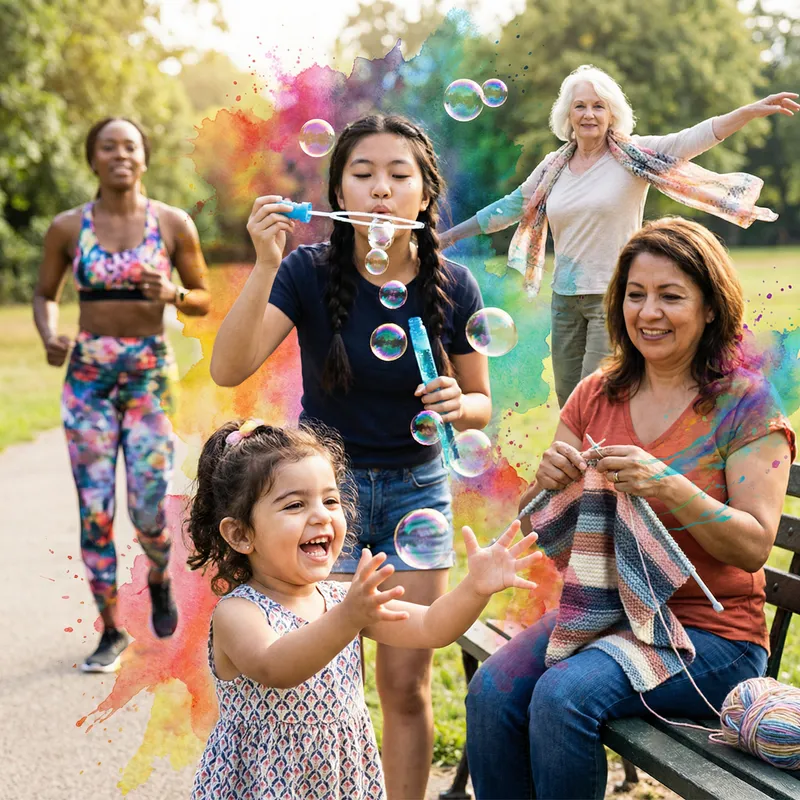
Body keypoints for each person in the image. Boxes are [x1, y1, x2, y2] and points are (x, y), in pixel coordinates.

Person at [464, 217, 796, 799]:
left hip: (710, 638)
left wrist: (668, 485)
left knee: (563, 696)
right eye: (635, 295)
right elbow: (536, 522)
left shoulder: (745, 405)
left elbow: (753, 546)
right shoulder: (598, 392)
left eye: (671, 296)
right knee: (492, 690)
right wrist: (545, 486)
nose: (648, 312)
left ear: (711, 307)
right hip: (607, 616)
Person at [210, 115, 490, 798]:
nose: (381, 190)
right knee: (323, 675)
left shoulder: (453, 284)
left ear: (425, 194)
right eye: (363, 174)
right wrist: (266, 263)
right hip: (322, 499)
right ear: (338, 191)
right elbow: (228, 367)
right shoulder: (307, 272)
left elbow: (481, 403)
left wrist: (459, 404)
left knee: (405, 682)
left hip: (418, 492)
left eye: (399, 175)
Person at [186, 419, 539, 799]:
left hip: (340, 779)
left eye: (330, 500)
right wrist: (348, 617)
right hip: (265, 782)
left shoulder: (343, 600)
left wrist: (475, 588)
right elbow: (276, 667)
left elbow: (432, 627)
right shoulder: (239, 612)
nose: (321, 515)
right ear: (241, 534)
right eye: (295, 505)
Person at [440, 64, 799, 408]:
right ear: (568, 115)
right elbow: (510, 206)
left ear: (612, 113)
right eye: (580, 106)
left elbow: (695, 137)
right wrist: (450, 237)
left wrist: (749, 111)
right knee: (568, 400)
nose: (589, 114)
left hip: (612, 297)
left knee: (594, 397)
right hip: (564, 300)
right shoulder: (553, 166)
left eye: (598, 106)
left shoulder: (634, 156)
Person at [33, 117, 211, 672]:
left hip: (148, 380)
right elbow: (44, 294)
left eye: (129, 146)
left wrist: (174, 293)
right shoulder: (68, 227)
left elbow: (203, 296)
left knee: (147, 508)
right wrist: (49, 334)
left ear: (144, 156)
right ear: (93, 158)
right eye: (107, 147)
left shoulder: (172, 223)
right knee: (96, 511)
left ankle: (158, 576)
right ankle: (110, 630)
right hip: (88, 380)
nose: (119, 155)